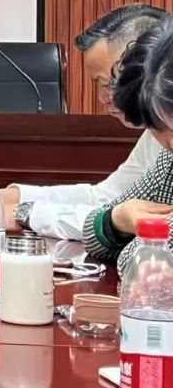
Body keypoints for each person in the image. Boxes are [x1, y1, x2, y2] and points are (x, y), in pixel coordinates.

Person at [0, 3, 169, 238]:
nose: (102, 98)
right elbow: (108, 200)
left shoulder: (165, 134)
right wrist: (17, 197)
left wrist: (25, 213)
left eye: (108, 83)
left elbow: (119, 215)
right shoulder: (155, 134)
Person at [82, 18, 173, 268]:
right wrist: (116, 220)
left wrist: (140, 241)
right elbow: (92, 231)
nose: (170, 141)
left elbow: (141, 262)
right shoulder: (168, 163)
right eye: (158, 127)